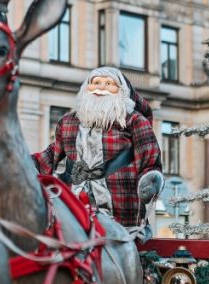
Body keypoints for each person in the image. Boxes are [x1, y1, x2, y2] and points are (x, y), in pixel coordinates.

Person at [34, 67, 162, 239]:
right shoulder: (68, 122)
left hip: (120, 208)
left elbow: (149, 158)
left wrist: (150, 181)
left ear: (122, 90)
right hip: (75, 202)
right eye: (96, 83)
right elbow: (52, 153)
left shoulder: (134, 121)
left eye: (109, 84)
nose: (101, 87)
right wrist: (27, 163)